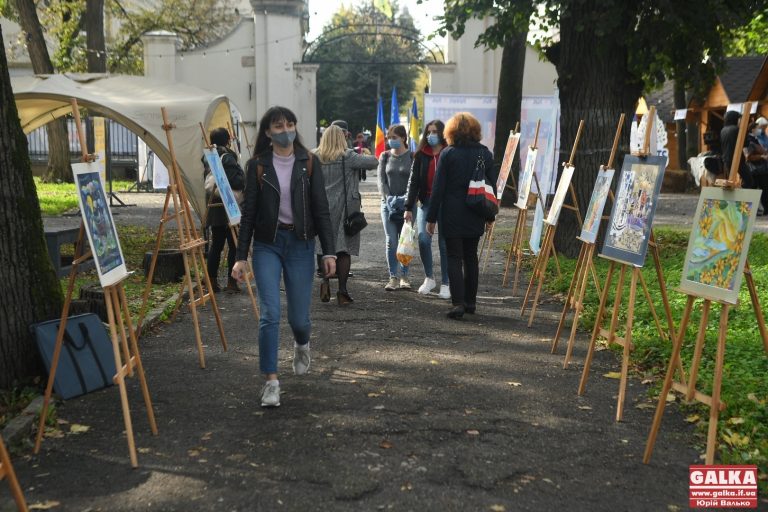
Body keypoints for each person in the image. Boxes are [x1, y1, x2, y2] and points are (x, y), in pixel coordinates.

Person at [232, 106, 336, 408]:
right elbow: (248, 212)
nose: (285, 130)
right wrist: (241, 256)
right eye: (278, 126)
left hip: (301, 244)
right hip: (268, 244)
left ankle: (302, 344)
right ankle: (271, 381)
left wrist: (328, 251)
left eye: (290, 124)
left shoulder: (309, 162)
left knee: (299, 319)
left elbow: (321, 209)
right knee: (269, 314)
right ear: (268, 132)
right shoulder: (258, 166)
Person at [426, 112, 496, 320]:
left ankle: (458, 303)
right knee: (471, 256)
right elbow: (492, 187)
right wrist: (491, 216)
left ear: (450, 132)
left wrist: (431, 218)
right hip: (477, 211)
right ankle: (471, 302)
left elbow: (438, 188)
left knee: (454, 257)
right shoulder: (485, 153)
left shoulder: (448, 154)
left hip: (452, 212)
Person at [313, 125, 378, 305]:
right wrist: (365, 151)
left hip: (321, 209)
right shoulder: (349, 156)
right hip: (344, 210)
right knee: (343, 250)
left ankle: (325, 282)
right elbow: (374, 162)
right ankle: (342, 291)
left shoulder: (315, 156)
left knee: (322, 247)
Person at [404, 120, 450, 299]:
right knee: (423, 238)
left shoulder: (449, 152)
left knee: (445, 243)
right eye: (429, 132)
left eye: (435, 132)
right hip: (426, 201)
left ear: (442, 134)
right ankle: (429, 278)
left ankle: (446, 283)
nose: (431, 135)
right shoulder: (421, 155)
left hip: (446, 203)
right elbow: (413, 181)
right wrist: (408, 207)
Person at [205, 127, 245, 293]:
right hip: (229, 206)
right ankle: (231, 282)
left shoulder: (209, 156)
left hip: (214, 206)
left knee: (216, 245)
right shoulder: (228, 157)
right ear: (228, 140)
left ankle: (211, 282)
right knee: (234, 244)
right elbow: (236, 182)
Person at [377, 124, 415, 290]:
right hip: (388, 205)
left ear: (403, 138)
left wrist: (406, 201)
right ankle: (393, 276)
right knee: (391, 241)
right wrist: (389, 199)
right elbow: (381, 181)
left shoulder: (413, 157)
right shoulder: (384, 157)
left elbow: (414, 182)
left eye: (394, 137)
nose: (390, 140)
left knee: (405, 240)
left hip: (407, 206)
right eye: (389, 138)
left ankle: (404, 276)